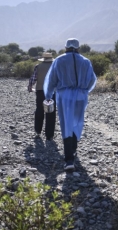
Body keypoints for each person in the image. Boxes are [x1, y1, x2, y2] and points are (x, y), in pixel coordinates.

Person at [44, 38, 97, 171]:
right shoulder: (86, 61)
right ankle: (73, 149)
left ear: (66, 47)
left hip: (65, 97)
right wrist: (84, 91)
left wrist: (48, 95)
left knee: (66, 124)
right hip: (80, 96)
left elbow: (52, 80)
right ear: (78, 48)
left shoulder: (59, 60)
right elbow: (92, 80)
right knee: (77, 122)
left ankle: (69, 160)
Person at [28, 52, 56, 141]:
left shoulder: (38, 66)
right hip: (52, 92)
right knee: (51, 112)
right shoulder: (56, 66)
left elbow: (33, 78)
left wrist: (30, 87)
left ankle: (38, 131)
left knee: (39, 110)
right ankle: (49, 135)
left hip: (40, 91)